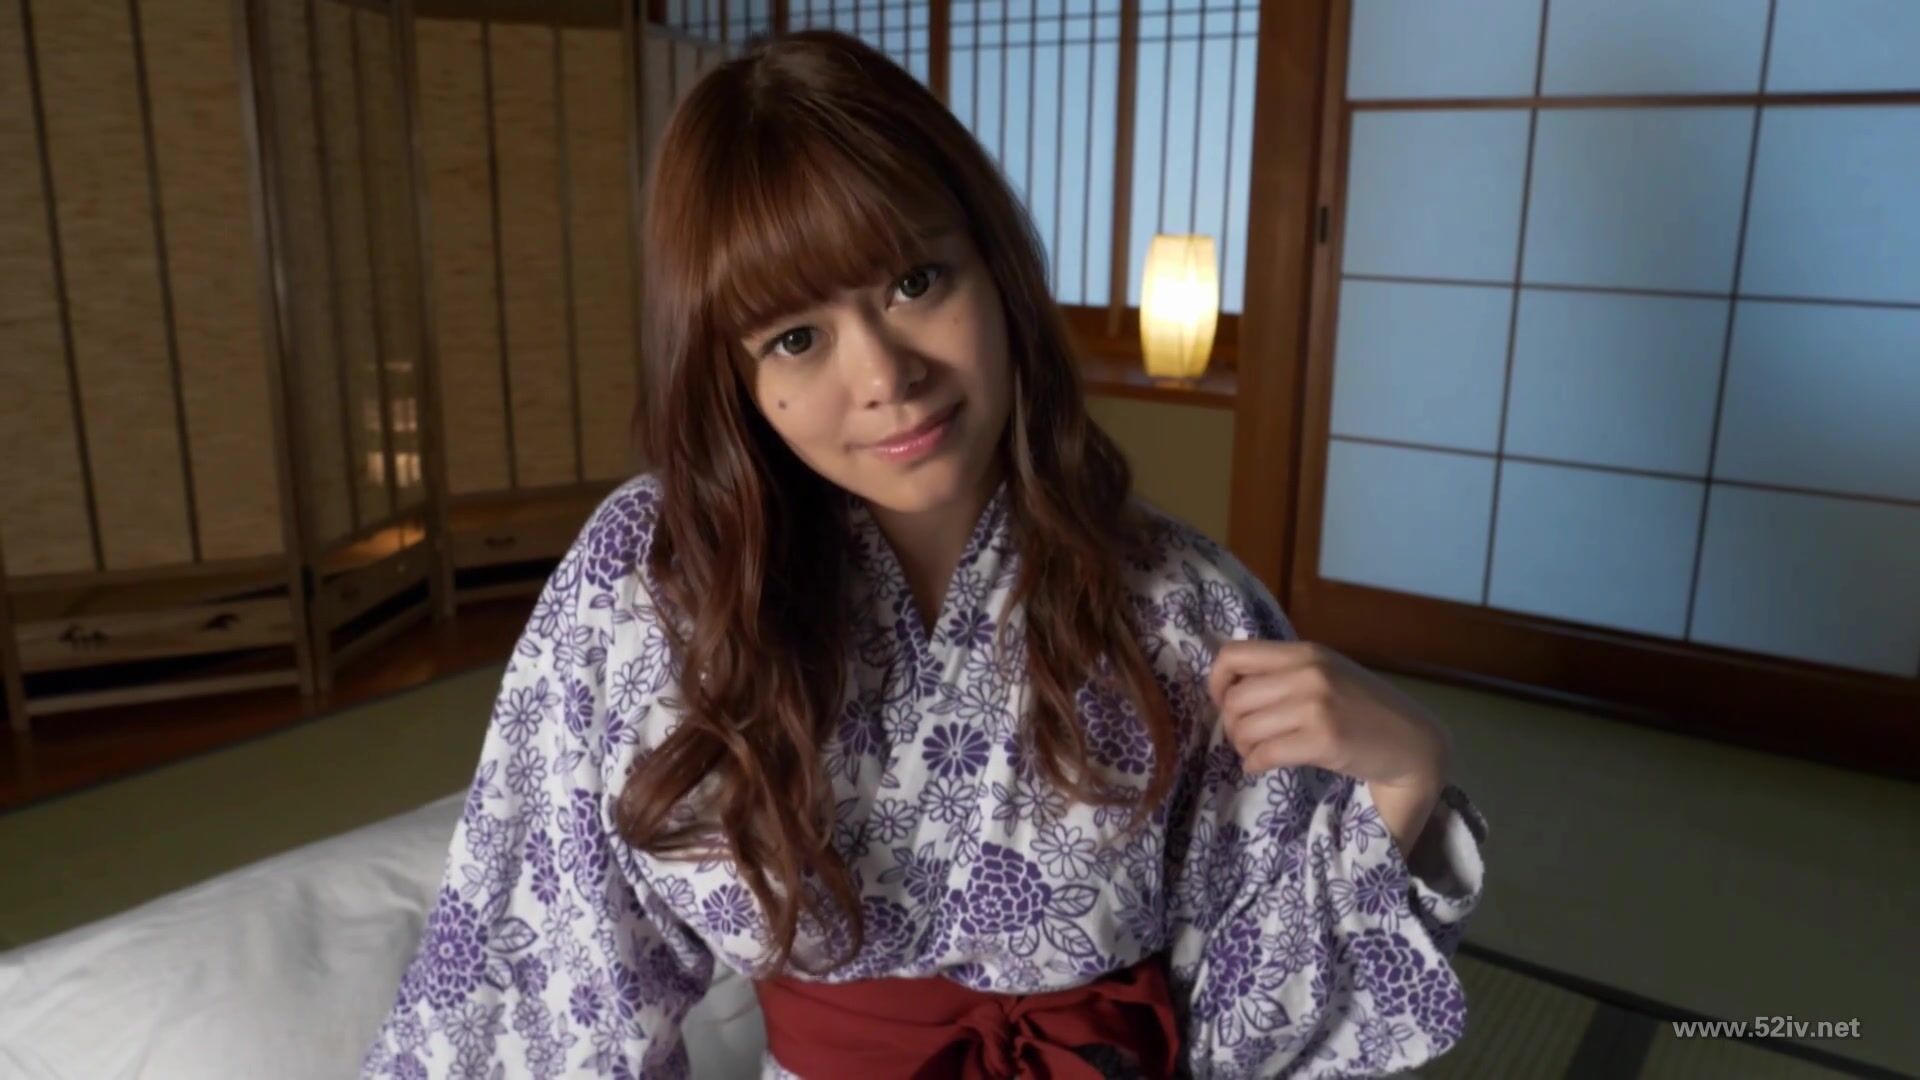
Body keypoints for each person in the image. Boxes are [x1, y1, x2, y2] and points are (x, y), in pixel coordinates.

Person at [362, 29, 1487, 1080]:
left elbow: (1251, 1022)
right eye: (796, 337)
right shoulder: (657, 583)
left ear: (993, 267)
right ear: (734, 376)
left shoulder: (1185, 606)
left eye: (915, 282)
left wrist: (1405, 773)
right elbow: (546, 982)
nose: (884, 376)